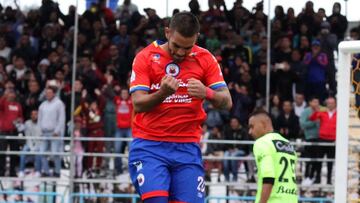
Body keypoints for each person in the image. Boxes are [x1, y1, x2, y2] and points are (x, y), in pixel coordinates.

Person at [128, 12, 232, 203]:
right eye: (177, 46)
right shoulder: (146, 57)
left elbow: (227, 101)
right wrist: (162, 93)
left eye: (187, 47)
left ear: (196, 38)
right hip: (150, 146)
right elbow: (138, 103)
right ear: (167, 32)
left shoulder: (205, 58)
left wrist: (207, 93)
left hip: (187, 148)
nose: (181, 53)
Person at [248, 110, 298, 203]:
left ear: (263, 124)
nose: (250, 131)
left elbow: (269, 178)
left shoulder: (262, 142)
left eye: (252, 126)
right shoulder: (288, 144)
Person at [38, 85, 65, 177]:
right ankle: (45, 171)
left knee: (55, 154)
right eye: (46, 92)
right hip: (44, 132)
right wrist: (40, 131)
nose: (47, 94)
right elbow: (39, 119)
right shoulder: (42, 105)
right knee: (42, 153)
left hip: (54, 132)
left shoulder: (59, 103)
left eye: (49, 93)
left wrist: (57, 131)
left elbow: (61, 119)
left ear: (54, 93)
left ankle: (57, 171)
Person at [309, 96, 337, 185]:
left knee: (330, 162)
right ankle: (318, 179)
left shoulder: (339, 113)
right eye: (328, 103)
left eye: (332, 103)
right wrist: (317, 110)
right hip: (322, 139)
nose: (330, 105)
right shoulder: (322, 112)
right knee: (319, 160)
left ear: (335, 104)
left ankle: (329, 180)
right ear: (326, 104)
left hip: (332, 140)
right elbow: (312, 118)